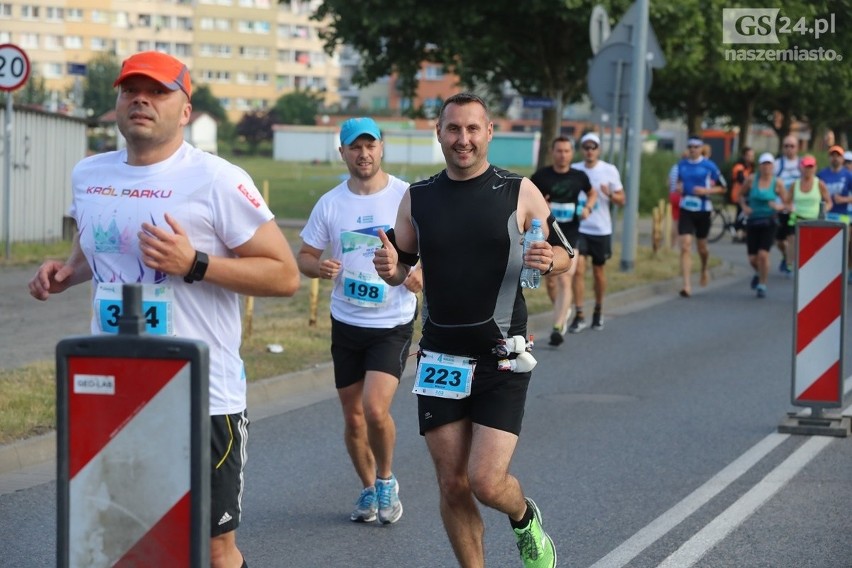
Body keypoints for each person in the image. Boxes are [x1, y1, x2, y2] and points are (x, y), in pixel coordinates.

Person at [27, 51, 300, 568]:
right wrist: (64, 272)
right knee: (119, 536)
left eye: (158, 92)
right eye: (131, 90)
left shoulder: (217, 178)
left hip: (201, 391)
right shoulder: (89, 174)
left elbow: (284, 273)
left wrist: (194, 262)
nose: (141, 100)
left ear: (186, 110)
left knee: (214, 548)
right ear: (117, 102)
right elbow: (96, 247)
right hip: (112, 388)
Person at [373, 92, 570, 568]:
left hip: (502, 355)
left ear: (489, 133)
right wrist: (390, 269)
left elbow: (564, 253)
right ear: (438, 133)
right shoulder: (417, 197)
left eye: (472, 129)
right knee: (451, 483)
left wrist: (549, 260)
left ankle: (524, 518)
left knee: (485, 481)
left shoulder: (518, 190)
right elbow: (402, 264)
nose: (463, 139)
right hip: (441, 358)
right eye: (453, 129)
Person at [296, 117, 422, 525]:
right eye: (355, 147)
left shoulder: (406, 195)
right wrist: (320, 267)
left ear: (382, 148)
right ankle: (368, 489)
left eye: (370, 146)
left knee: (373, 408)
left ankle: (387, 480)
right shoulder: (331, 203)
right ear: (343, 153)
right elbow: (304, 256)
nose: (363, 154)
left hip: (393, 321)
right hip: (347, 321)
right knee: (352, 417)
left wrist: (422, 271)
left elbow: (435, 245)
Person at [530, 136, 594, 346]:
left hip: (570, 232)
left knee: (565, 277)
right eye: (559, 151)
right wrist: (541, 204)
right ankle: (563, 309)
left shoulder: (580, 176)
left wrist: (588, 207)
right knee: (550, 279)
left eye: (567, 151)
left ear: (571, 153)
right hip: (549, 232)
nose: (563, 155)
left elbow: (591, 194)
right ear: (552, 152)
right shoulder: (541, 176)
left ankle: (557, 326)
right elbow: (528, 199)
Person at [568, 132, 624, 332]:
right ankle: (579, 313)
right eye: (586, 147)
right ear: (581, 150)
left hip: (601, 229)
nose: (590, 151)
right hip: (579, 227)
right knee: (578, 270)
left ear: (599, 150)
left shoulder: (609, 170)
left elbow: (622, 200)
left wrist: (610, 194)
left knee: (599, 272)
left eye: (593, 147)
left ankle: (599, 310)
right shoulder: (574, 170)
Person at [673, 134, 725, 297]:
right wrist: (679, 188)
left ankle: (703, 268)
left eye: (696, 147)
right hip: (686, 208)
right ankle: (687, 285)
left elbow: (723, 187)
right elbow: (676, 184)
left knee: (701, 247)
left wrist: (706, 191)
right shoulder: (681, 165)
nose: (693, 150)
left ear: (701, 148)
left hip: (703, 208)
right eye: (690, 147)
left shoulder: (709, 166)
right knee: (686, 245)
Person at [739, 153, 787, 298]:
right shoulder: (751, 180)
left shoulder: (777, 182)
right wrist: (744, 207)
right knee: (752, 258)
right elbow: (741, 195)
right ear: (759, 166)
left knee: (763, 255)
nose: (766, 167)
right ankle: (760, 272)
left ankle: (762, 284)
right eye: (764, 164)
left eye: (769, 164)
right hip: (753, 220)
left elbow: (787, 203)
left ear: (773, 166)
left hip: (769, 221)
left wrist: (778, 207)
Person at [784, 154, 832, 271]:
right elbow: (787, 201)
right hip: (797, 217)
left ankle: (809, 266)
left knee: (810, 247)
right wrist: (790, 207)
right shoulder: (795, 184)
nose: (808, 169)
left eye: (811, 167)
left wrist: (823, 211)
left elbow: (829, 202)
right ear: (801, 167)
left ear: (815, 168)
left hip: (814, 219)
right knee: (792, 240)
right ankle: (790, 264)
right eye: (806, 166)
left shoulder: (819, 184)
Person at [817, 145, 852, 283]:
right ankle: (829, 272)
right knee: (827, 245)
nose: (835, 158)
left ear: (842, 158)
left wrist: (844, 199)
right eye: (833, 155)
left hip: (843, 215)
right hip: (826, 215)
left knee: (847, 244)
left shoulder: (848, 175)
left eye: (838, 155)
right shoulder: (822, 174)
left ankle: (848, 269)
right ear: (829, 157)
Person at [774, 135, 802, 275]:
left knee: (792, 238)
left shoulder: (802, 164)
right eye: (786, 146)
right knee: (779, 241)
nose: (789, 149)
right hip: (780, 207)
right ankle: (786, 256)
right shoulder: (777, 164)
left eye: (792, 146)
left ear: (797, 148)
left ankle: (789, 264)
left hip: (796, 208)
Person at [729, 146, 755, 243]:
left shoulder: (751, 168)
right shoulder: (739, 167)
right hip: (738, 194)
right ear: (744, 156)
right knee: (741, 214)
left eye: (752, 155)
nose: (751, 158)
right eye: (748, 155)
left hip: (747, 195)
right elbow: (741, 180)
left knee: (745, 215)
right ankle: (736, 230)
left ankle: (744, 234)